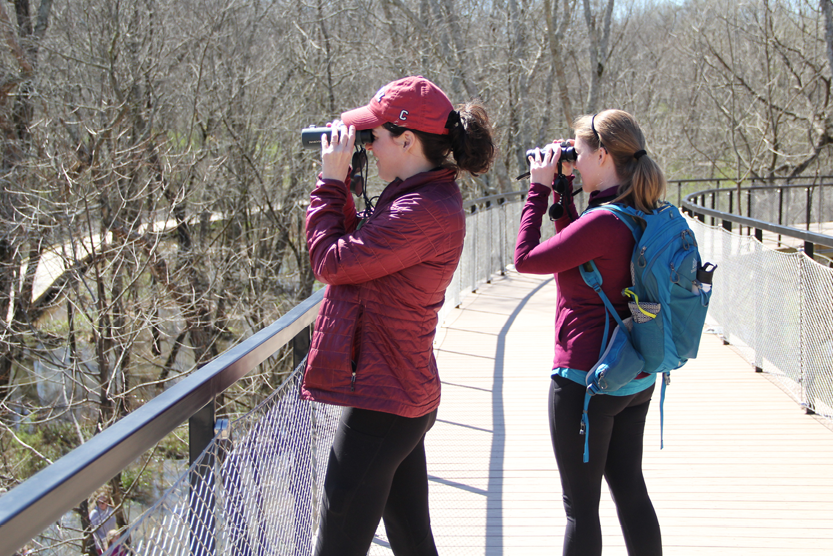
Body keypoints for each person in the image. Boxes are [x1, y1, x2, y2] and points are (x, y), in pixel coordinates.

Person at [300, 75, 496, 556]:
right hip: (398, 391)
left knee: (337, 543)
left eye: (373, 136)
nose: (367, 143)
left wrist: (329, 182)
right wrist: (345, 182)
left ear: (407, 140)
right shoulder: (417, 196)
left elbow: (331, 262)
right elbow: (356, 256)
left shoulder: (421, 210)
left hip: (386, 401)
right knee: (411, 540)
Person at [513, 109, 664, 556]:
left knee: (581, 509)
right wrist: (563, 187)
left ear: (601, 154)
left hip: (585, 379)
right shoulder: (640, 211)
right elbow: (581, 256)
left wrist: (538, 189)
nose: (573, 161)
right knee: (631, 492)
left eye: (577, 154)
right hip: (633, 374)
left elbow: (526, 258)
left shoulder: (603, 222)